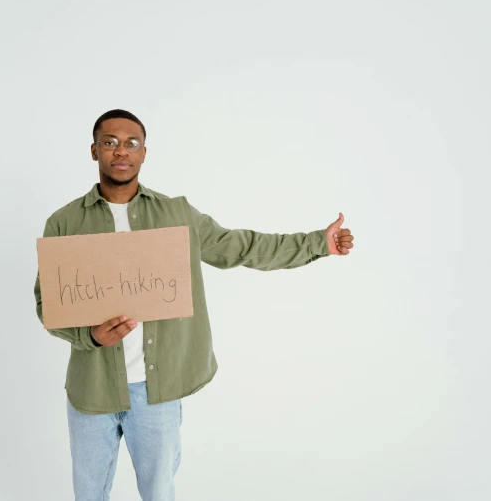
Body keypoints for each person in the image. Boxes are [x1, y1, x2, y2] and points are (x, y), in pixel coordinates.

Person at [34, 109, 355, 501]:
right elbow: (48, 304)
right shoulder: (63, 223)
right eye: (110, 142)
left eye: (131, 143)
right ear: (94, 150)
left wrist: (317, 243)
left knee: (159, 494)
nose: (121, 151)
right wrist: (91, 336)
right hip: (91, 392)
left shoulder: (177, 215)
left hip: (158, 394)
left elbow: (242, 247)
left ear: (144, 152)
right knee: (88, 495)